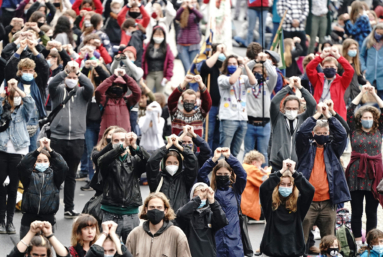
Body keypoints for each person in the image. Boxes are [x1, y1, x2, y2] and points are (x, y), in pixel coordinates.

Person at [295, 103, 350, 252]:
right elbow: (300, 133)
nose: (322, 135)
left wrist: (329, 116)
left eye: (325, 132)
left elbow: (343, 134)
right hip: (308, 202)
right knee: (301, 239)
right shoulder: (305, 149)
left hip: (328, 202)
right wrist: (317, 115)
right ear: (313, 134)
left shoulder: (333, 149)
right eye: (319, 133)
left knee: (330, 241)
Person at [48, 60, 93, 218]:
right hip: (57, 138)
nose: (71, 79)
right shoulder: (58, 91)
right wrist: (65, 72)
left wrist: (80, 73)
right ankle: (51, 208)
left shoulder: (82, 93)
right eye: (70, 76)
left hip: (76, 139)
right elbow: (52, 83)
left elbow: (90, 87)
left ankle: (69, 207)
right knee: (54, 174)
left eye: (75, 77)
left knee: (71, 175)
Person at [345, 85, 383, 248]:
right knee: (357, 210)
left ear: (375, 119)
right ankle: (356, 241)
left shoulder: (379, 130)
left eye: (370, 117)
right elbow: (350, 109)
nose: (367, 119)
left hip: (374, 174)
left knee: (372, 211)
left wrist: (373, 94)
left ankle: (371, 242)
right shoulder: (354, 130)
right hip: (356, 174)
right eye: (364, 117)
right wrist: (362, 93)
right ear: (359, 119)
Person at [98, 129, 149, 243]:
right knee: (108, 249)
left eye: (123, 139)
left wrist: (135, 146)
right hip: (110, 214)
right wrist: (122, 146)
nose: (121, 142)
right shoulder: (108, 160)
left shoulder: (135, 160)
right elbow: (100, 161)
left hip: (131, 215)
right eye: (116, 140)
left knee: (132, 250)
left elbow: (151, 162)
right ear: (111, 143)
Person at [198, 147, 247, 257]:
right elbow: (201, 174)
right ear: (215, 174)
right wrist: (213, 159)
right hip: (216, 239)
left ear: (230, 173)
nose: (222, 176)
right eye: (219, 174)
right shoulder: (211, 191)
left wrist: (229, 157)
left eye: (225, 174)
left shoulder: (236, 190)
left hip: (234, 241)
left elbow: (242, 174)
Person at [259, 159, 314, 257]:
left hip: (294, 251)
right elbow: (264, 189)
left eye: (289, 185)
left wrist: (294, 173)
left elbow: (310, 191)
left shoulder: (299, 205)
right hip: (272, 252)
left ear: (293, 187)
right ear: (277, 185)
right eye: (282, 184)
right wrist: (280, 172)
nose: (285, 187)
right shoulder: (271, 204)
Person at [16, 137, 68, 239]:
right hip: (29, 216)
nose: (42, 163)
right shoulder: (28, 176)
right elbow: (22, 165)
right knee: (24, 248)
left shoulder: (55, 177)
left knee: (47, 249)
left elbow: (63, 167)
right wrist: (38, 149)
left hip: (48, 217)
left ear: (49, 163)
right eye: (39, 161)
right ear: (34, 163)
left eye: (45, 160)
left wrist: (50, 149)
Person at [0, 79, 34, 234]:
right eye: (13, 96)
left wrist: (17, 88)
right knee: (1, 187)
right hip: (2, 151)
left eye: (17, 96)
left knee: (14, 187)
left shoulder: (23, 111)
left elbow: (30, 102)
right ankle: (1, 221)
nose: (16, 99)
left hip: (18, 152)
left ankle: (10, 222)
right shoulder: (2, 109)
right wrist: (4, 95)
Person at [5, 39, 49, 151]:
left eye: (30, 71)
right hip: (17, 121)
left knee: (34, 153)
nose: (28, 73)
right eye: (25, 70)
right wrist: (20, 48)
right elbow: (9, 67)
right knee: (18, 153)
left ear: (34, 72)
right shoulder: (15, 82)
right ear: (20, 72)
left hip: (35, 123)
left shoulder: (39, 84)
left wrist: (33, 48)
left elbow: (44, 66)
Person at [269, 77, 317, 171]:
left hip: (298, 165)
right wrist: (289, 86)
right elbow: (274, 102)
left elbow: (312, 104)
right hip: (278, 164)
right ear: (283, 108)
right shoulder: (277, 118)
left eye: (294, 108)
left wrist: (300, 87)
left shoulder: (304, 119)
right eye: (289, 108)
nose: (291, 111)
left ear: (299, 110)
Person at [126, 192, 192, 257]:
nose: (155, 210)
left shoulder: (177, 234)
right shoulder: (135, 234)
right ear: (146, 209)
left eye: (159, 207)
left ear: (165, 210)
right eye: (152, 207)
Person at [146, 134, 198, 213]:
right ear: (164, 164)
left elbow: (193, 162)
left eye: (175, 163)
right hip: (161, 220)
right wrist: (167, 146)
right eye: (169, 162)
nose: (172, 165)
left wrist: (179, 146)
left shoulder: (185, 179)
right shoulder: (157, 178)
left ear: (179, 164)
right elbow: (151, 162)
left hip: (180, 220)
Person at [80, 59, 110, 190]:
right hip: (89, 124)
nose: (97, 74)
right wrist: (86, 69)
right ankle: (92, 179)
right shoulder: (88, 88)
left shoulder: (107, 89)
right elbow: (80, 81)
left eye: (99, 70)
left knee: (105, 152)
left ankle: (105, 179)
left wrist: (98, 67)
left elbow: (107, 79)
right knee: (91, 153)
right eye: (95, 72)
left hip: (104, 125)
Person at [218, 56, 257, 157]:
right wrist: (240, 66)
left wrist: (245, 66)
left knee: (235, 151)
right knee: (225, 150)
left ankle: (232, 170)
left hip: (242, 118)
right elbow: (231, 81)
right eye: (230, 64)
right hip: (228, 118)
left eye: (234, 63)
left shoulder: (243, 79)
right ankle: (221, 170)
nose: (232, 66)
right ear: (226, 65)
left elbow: (253, 82)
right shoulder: (222, 78)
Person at [176, 183, 228, 257]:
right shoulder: (187, 213)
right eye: (196, 196)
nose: (200, 199)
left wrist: (213, 201)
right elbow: (180, 215)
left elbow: (222, 221)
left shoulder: (210, 214)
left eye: (203, 197)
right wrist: (198, 199)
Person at [243, 52, 278, 164]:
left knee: (263, 153)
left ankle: (264, 178)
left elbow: (274, 75)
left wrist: (265, 62)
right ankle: (247, 176)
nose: (257, 74)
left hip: (264, 124)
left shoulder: (268, 85)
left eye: (259, 72)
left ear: (263, 74)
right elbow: (245, 70)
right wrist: (255, 61)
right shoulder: (247, 85)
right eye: (254, 72)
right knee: (248, 153)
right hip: (249, 123)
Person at [306, 46, 354, 120]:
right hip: (318, 113)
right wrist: (321, 56)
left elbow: (350, 70)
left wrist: (338, 56)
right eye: (326, 67)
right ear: (322, 68)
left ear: (336, 69)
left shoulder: (342, 81)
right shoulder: (317, 79)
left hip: (335, 114)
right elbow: (309, 68)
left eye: (332, 66)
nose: (329, 68)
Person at [95, 68, 141, 140]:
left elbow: (137, 92)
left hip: (124, 138)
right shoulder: (104, 100)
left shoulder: (127, 101)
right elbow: (98, 91)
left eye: (120, 86)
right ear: (110, 87)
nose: (117, 87)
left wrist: (126, 77)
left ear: (124, 88)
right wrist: (113, 77)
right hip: (107, 138)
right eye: (115, 85)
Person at [199, 43, 227, 153]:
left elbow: (234, 61)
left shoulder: (226, 68)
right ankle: (208, 157)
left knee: (218, 135)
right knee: (208, 134)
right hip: (212, 107)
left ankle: (216, 158)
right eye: (219, 50)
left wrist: (225, 53)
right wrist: (218, 52)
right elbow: (205, 67)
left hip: (224, 107)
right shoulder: (210, 67)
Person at [142, 25, 174, 93]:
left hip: (161, 73)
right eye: (156, 34)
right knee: (147, 93)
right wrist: (142, 75)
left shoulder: (166, 47)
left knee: (159, 95)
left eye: (160, 35)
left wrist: (168, 76)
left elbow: (170, 62)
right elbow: (143, 60)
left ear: (164, 36)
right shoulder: (148, 45)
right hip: (149, 73)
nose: (158, 36)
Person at [88, 126, 119, 196]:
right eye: (110, 135)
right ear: (105, 136)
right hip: (102, 187)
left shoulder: (126, 151)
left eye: (114, 135)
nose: (112, 138)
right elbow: (97, 158)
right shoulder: (97, 150)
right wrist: (111, 145)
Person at [241, 150, 269, 222]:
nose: (260, 168)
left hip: (240, 206)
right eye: (260, 165)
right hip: (247, 208)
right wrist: (267, 173)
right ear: (254, 162)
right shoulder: (252, 169)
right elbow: (267, 182)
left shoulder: (242, 167)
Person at [175, 0, 203, 74]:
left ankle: (189, 85)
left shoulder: (196, 13)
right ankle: (188, 85)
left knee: (193, 69)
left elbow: (200, 16)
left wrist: (192, 8)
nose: (191, 3)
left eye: (193, 1)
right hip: (182, 45)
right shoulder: (182, 12)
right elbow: (176, 16)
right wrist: (183, 7)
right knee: (187, 69)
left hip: (194, 45)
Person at [360, 23, 383, 99]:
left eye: (381, 33)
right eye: (378, 32)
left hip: (381, 74)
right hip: (369, 73)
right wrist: (364, 68)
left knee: (381, 97)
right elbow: (361, 55)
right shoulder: (368, 41)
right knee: (368, 96)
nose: (379, 35)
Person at [340, 39, 362, 104]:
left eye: (355, 48)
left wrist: (366, 82)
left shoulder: (357, 63)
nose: (354, 50)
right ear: (345, 49)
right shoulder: (340, 63)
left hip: (355, 93)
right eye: (351, 48)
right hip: (343, 94)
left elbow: (359, 77)